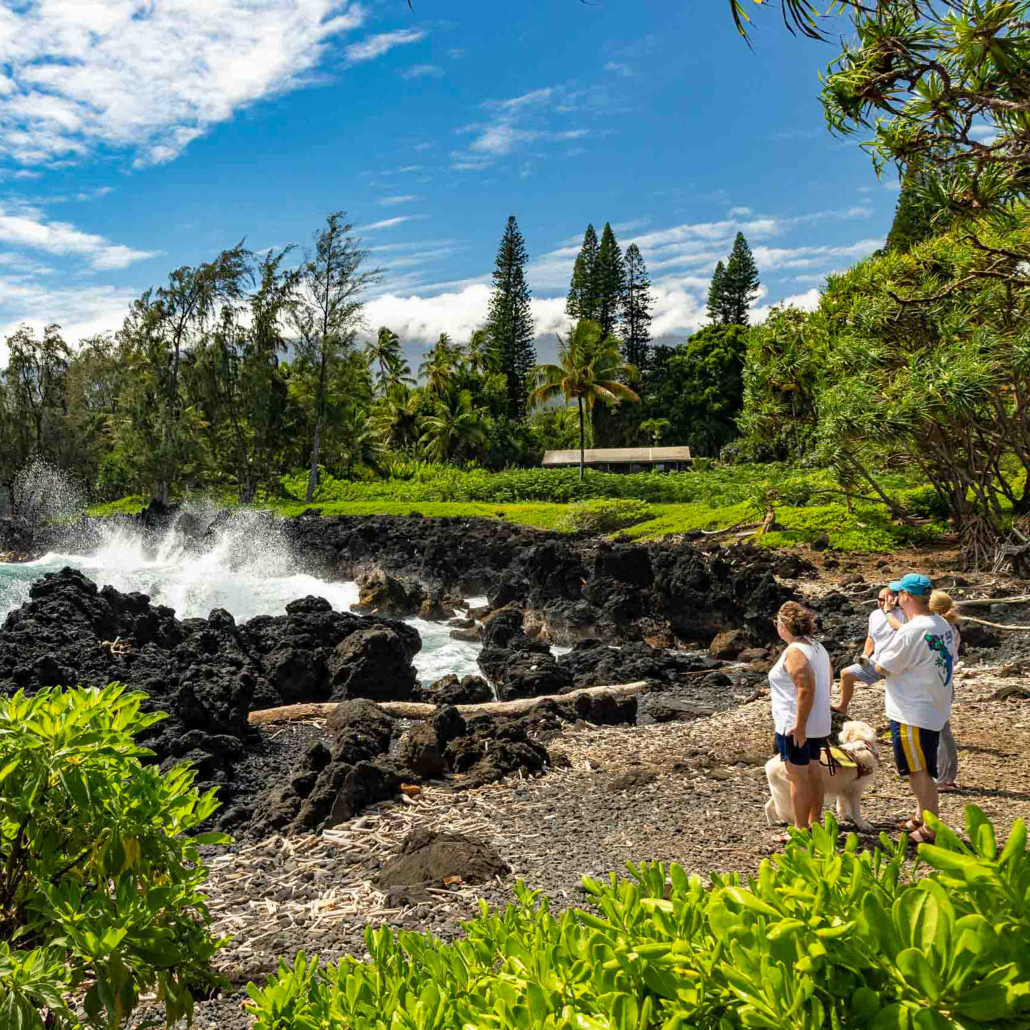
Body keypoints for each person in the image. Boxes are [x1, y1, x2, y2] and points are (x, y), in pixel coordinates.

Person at [864, 573, 957, 845]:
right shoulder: (939, 622)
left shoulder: (912, 629)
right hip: (933, 706)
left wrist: (868, 666)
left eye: (897, 594)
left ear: (905, 596)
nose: (894, 598)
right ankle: (920, 815)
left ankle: (930, 827)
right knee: (924, 765)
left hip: (912, 711)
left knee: (919, 771)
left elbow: (884, 667)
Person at [768, 601, 833, 832]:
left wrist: (800, 725)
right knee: (813, 773)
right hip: (817, 722)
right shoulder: (817, 646)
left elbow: (806, 688)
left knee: (798, 777)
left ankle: (800, 828)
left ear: (784, 626)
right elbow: (828, 678)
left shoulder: (795, 652)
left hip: (796, 724)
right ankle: (815, 824)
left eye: (777, 623)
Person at [834, 586, 906, 715]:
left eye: (886, 600)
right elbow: (870, 638)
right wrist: (865, 655)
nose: (882, 603)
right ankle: (842, 706)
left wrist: (889, 612)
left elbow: (902, 630)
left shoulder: (903, 614)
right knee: (845, 674)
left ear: (895, 600)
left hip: (897, 661)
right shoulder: (874, 615)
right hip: (877, 660)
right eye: (880, 599)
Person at [929, 590, 962, 790]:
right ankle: (948, 775)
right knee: (944, 732)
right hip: (947, 683)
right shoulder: (951, 629)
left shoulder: (938, 630)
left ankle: (941, 778)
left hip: (937, 685)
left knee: (938, 732)